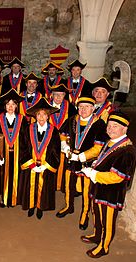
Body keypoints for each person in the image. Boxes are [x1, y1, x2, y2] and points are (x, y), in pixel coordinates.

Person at [81, 111, 136, 258]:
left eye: (115, 126)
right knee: (97, 214)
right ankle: (97, 235)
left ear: (124, 129)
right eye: (109, 125)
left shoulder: (127, 150)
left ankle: (104, 246)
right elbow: (103, 159)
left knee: (107, 220)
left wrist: (93, 174)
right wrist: (95, 164)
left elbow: (118, 176)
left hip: (110, 193)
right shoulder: (110, 141)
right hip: (99, 188)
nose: (110, 129)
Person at [56, 95, 108, 231]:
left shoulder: (100, 124)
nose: (83, 110)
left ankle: (84, 213)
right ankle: (69, 206)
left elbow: (98, 148)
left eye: (86, 107)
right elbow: (62, 135)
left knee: (86, 190)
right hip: (71, 159)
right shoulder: (72, 120)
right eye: (80, 107)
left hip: (88, 163)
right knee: (68, 185)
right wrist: (65, 147)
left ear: (93, 108)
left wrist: (81, 157)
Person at [18, 98, 60, 219]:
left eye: (44, 114)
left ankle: (40, 207)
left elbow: (55, 151)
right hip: (30, 166)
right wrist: (31, 164)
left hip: (45, 166)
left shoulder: (54, 131)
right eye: (38, 114)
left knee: (43, 187)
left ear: (48, 116)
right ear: (35, 116)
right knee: (30, 186)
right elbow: (23, 148)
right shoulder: (28, 129)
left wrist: (45, 165)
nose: (41, 117)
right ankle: (31, 206)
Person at [0, 89, 28, 206]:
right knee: (4, 176)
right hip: (4, 153)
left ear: (17, 106)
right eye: (8, 104)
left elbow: (26, 138)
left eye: (13, 104)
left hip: (18, 153)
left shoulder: (22, 119)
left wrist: (24, 153)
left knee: (16, 176)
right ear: (4, 106)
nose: (10, 107)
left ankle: (15, 198)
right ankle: (4, 198)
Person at [48, 84, 77, 191]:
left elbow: (75, 124)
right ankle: (50, 184)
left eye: (61, 95)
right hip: (49, 140)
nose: (58, 98)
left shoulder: (71, 107)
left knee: (63, 163)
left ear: (65, 95)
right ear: (51, 95)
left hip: (65, 140)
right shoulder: (46, 105)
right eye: (56, 95)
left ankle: (61, 185)